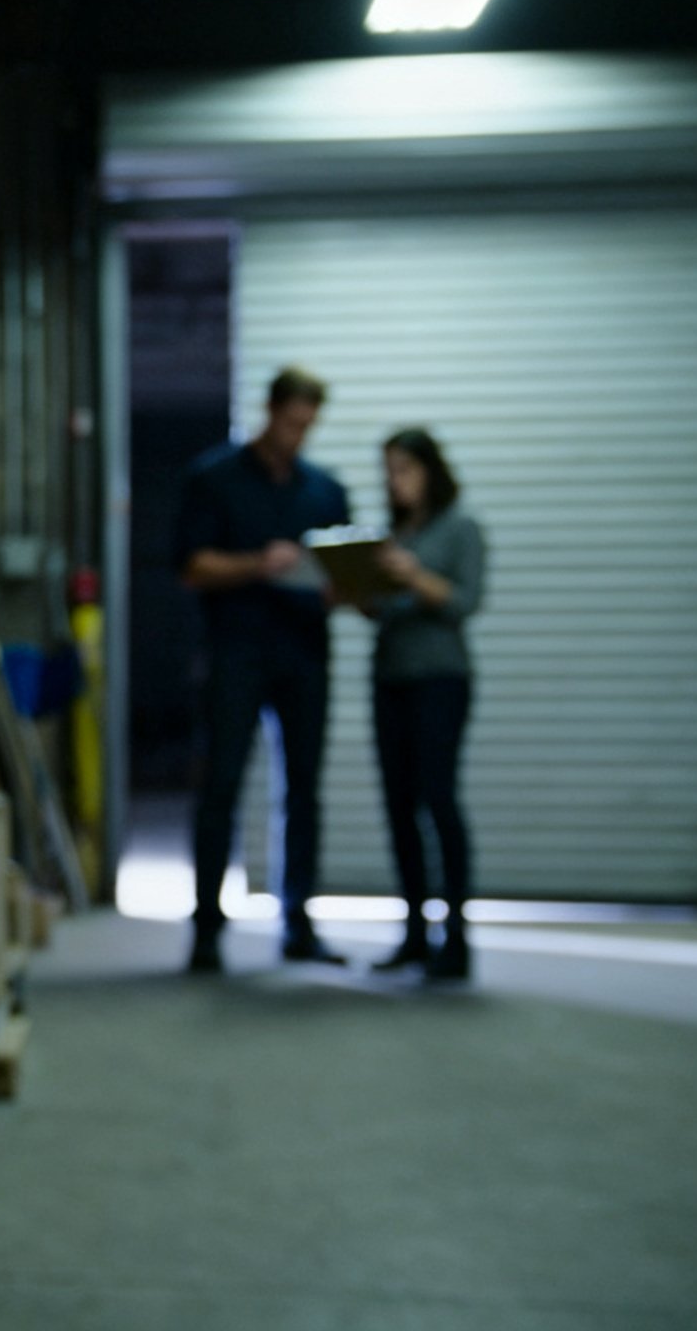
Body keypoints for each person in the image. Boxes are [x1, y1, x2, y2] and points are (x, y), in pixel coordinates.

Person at [173, 366, 351, 973]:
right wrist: (259, 563)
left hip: (305, 653)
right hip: (236, 652)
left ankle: (299, 925)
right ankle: (206, 931)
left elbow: (345, 572)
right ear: (270, 412)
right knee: (220, 787)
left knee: (303, 791)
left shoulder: (325, 490)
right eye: (292, 423)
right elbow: (192, 567)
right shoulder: (214, 478)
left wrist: (345, 586)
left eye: (308, 426)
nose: (299, 435)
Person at [364, 427, 486, 981]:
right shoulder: (390, 534)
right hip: (390, 677)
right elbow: (379, 609)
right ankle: (413, 933)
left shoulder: (459, 528)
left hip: (441, 678)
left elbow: (465, 600)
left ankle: (455, 937)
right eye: (389, 471)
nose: (395, 481)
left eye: (404, 469)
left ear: (430, 470)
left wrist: (412, 575)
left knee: (439, 798)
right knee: (399, 807)